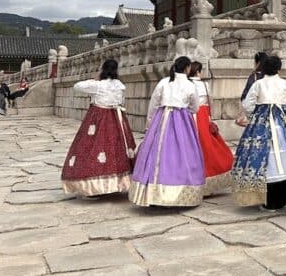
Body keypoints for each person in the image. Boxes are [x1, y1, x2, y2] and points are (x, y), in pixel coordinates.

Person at [232, 55, 286, 210]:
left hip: (262, 125)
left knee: (263, 159)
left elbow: (247, 105)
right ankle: (283, 199)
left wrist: (256, 115)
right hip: (283, 124)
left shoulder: (258, 84)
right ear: (279, 68)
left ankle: (267, 199)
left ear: (263, 68)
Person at [129, 56, 205, 207]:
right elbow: (195, 107)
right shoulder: (190, 85)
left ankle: (152, 192)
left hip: (161, 118)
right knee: (182, 153)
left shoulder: (164, 82)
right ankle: (178, 192)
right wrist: (185, 110)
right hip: (182, 120)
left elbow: (154, 103)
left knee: (156, 153)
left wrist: (150, 122)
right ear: (187, 68)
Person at [62, 59, 136, 196]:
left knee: (93, 147)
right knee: (115, 149)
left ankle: (94, 184)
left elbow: (77, 86)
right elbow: (121, 102)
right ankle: (117, 181)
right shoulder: (119, 85)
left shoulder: (98, 85)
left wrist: (93, 80)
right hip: (116, 119)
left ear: (103, 69)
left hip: (99, 119)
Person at [189, 61, 234, 195]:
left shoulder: (186, 84)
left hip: (189, 116)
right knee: (208, 147)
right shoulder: (205, 85)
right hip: (202, 115)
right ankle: (209, 181)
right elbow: (210, 103)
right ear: (199, 72)